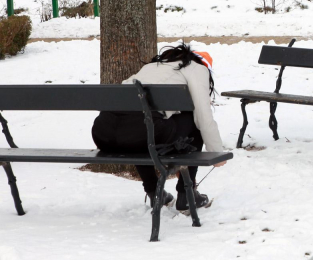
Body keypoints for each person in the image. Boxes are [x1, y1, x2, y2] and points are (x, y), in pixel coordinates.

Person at [91, 43, 226, 210]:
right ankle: (186, 194)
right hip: (140, 133)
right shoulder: (196, 68)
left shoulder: (150, 67)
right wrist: (216, 153)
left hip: (103, 134)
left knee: (140, 129)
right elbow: (203, 116)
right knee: (189, 123)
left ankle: (155, 192)